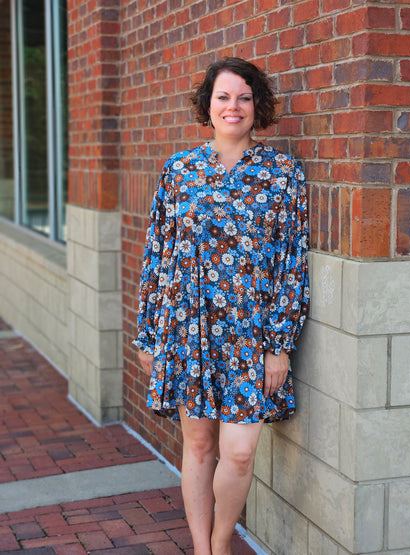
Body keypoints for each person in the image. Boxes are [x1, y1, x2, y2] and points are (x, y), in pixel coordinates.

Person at [134, 57, 309, 555]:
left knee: (238, 451)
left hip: (250, 335)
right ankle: (202, 548)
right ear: (208, 105)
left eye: (244, 97)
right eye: (223, 97)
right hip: (188, 331)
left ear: (258, 106)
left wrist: (279, 346)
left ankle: (222, 537)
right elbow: (157, 258)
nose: (233, 107)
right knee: (200, 445)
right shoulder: (180, 171)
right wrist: (150, 334)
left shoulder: (281, 174)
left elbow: (291, 263)